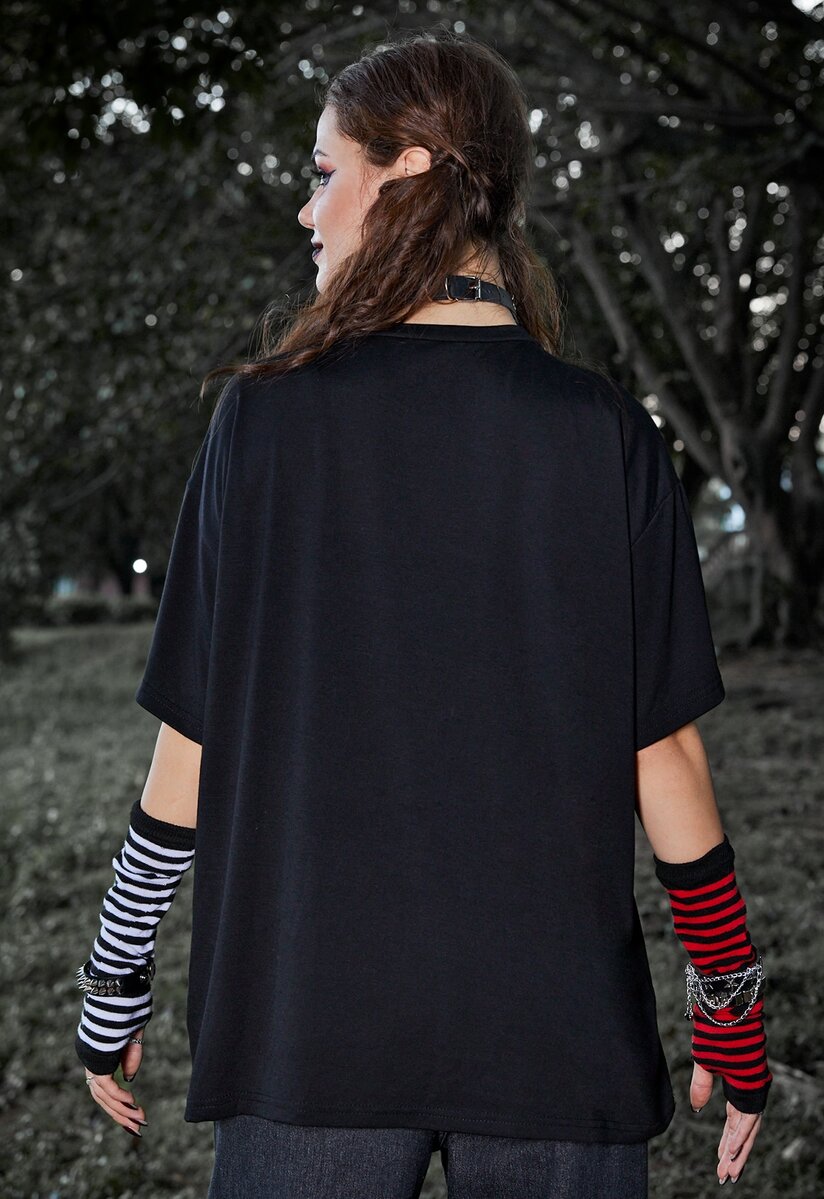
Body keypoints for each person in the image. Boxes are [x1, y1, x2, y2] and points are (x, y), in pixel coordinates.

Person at [73, 29, 773, 1199]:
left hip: (310, 1031)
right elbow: (667, 752)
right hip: (555, 1034)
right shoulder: (604, 433)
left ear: (406, 169)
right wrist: (733, 1012)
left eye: (322, 171)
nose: (308, 211)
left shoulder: (264, 423)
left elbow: (191, 735)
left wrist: (114, 974)